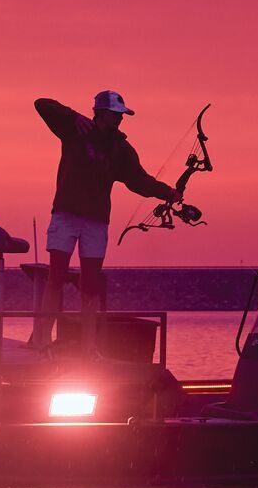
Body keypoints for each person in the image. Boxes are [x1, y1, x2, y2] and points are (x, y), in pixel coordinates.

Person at [29, 90, 183, 353]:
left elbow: (138, 180)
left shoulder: (121, 149)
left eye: (121, 116)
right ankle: (41, 338)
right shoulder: (75, 128)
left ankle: (89, 347)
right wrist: (72, 115)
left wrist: (167, 192)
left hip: (96, 222)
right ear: (101, 113)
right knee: (56, 276)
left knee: (90, 283)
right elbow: (41, 104)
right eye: (115, 115)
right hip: (65, 214)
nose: (120, 120)